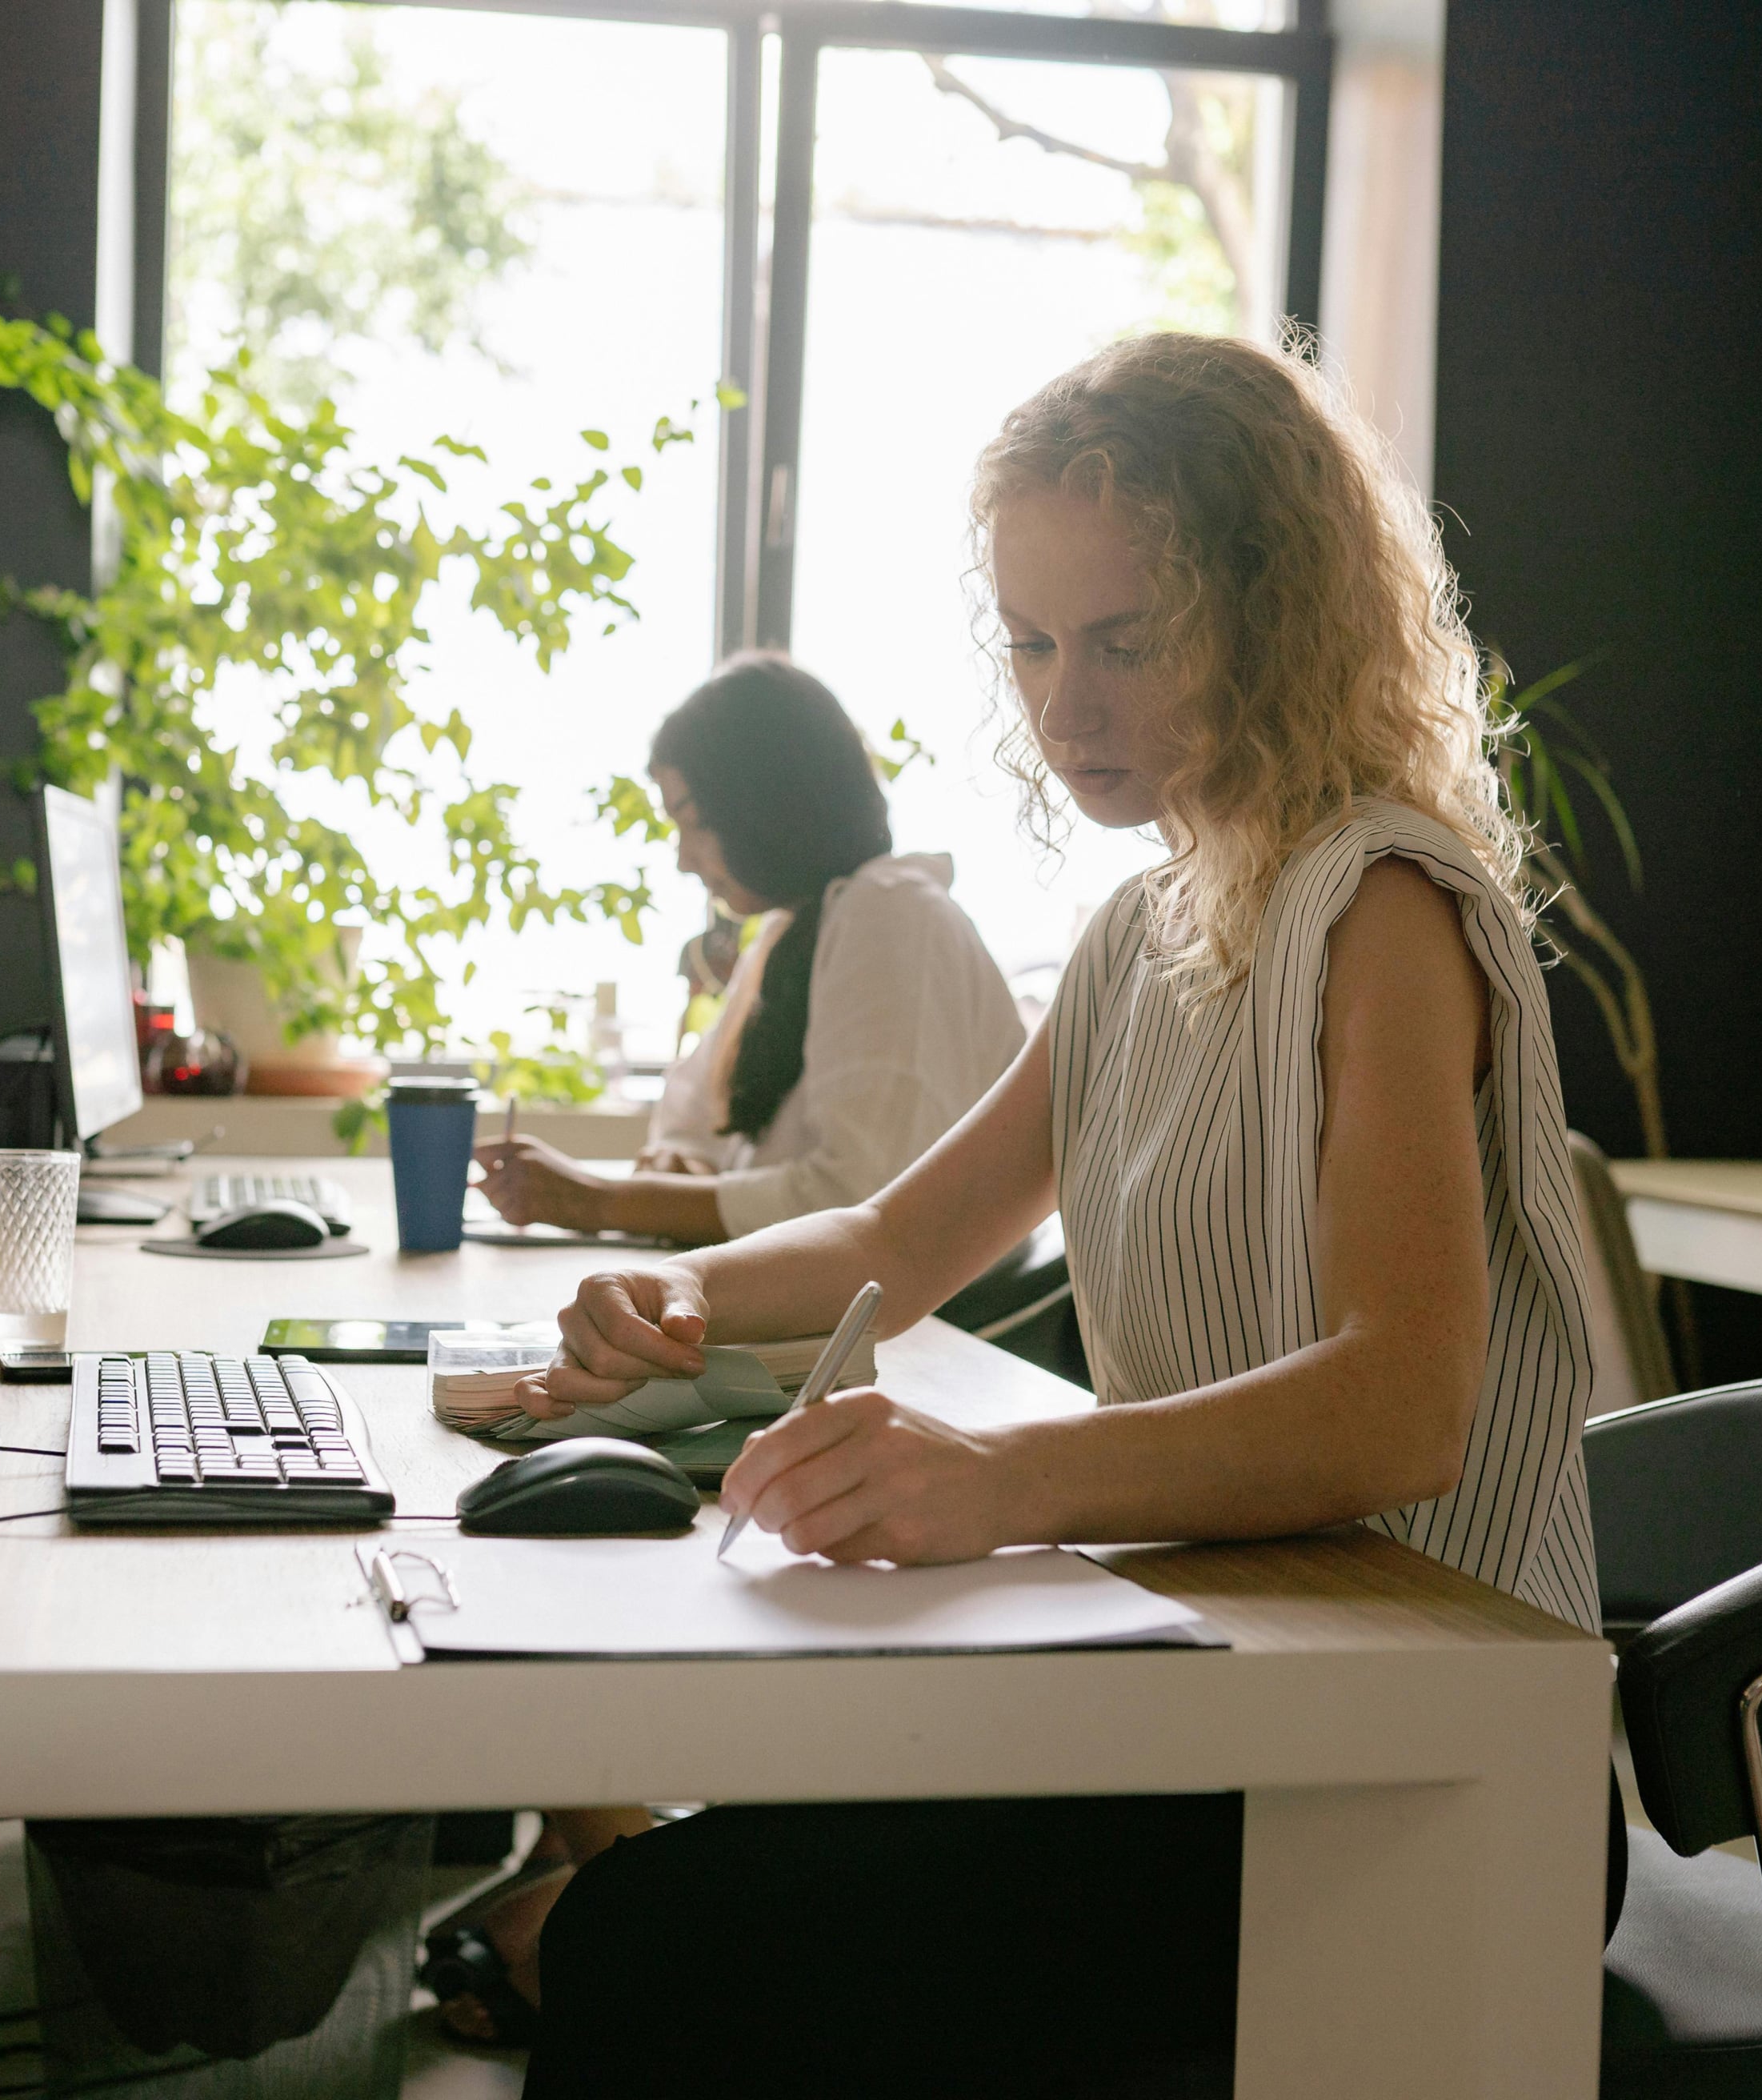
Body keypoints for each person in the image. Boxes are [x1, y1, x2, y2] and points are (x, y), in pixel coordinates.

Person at [515, 333, 1598, 2098]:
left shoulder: (1381, 903)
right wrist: (677, 1294)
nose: (1063, 705)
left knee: (653, 1941)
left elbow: (1403, 1405)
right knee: (691, 1892)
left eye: (1125, 639)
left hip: (1416, 1757)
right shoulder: (1137, 931)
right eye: (1028, 641)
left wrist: (1005, 1480)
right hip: (1221, 1692)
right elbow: (893, 1239)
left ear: (1279, 617)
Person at [473, 654, 1025, 1244]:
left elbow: (860, 1201)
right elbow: (689, 1125)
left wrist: (604, 1201)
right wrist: (678, 1168)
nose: (684, 859)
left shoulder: (890, 916)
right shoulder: (794, 932)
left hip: (903, 1329)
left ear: (767, 806)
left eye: (695, 823)